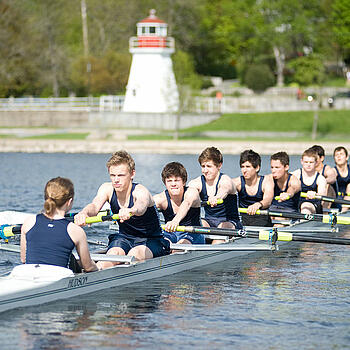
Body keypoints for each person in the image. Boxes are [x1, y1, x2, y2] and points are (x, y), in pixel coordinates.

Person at [74, 150, 170, 269]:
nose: (116, 180)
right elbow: (94, 206)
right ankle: (95, 272)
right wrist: (84, 213)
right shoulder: (106, 189)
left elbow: (141, 206)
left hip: (151, 240)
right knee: (113, 255)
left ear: (132, 174)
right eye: (113, 175)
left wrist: (131, 210)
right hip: (124, 238)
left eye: (121, 175)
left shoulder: (140, 191)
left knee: (135, 254)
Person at [20, 177, 98, 272]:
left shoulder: (29, 222)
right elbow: (88, 267)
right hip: (58, 278)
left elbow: (24, 259)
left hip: (28, 274)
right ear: (69, 202)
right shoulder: (75, 230)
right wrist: (99, 269)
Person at [188, 147, 242, 244]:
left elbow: (224, 190)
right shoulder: (196, 182)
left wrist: (216, 197)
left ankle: (213, 246)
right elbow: (188, 194)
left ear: (219, 165)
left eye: (209, 166)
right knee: (196, 226)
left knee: (221, 232)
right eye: (203, 166)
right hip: (209, 221)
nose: (205, 170)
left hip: (230, 222)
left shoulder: (226, 180)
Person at [153, 162, 205, 245]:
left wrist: (175, 221)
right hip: (170, 233)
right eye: (169, 181)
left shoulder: (192, 192)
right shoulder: (160, 198)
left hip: (193, 234)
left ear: (184, 182)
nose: (173, 184)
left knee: (179, 247)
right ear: (165, 183)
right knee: (161, 244)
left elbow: (187, 203)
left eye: (177, 180)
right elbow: (144, 205)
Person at [233, 149, 274, 226]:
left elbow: (268, 200)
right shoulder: (237, 182)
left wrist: (258, 204)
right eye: (242, 167)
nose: (244, 170)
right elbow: (225, 187)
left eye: (248, 167)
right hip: (243, 219)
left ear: (257, 168)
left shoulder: (266, 182)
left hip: (262, 220)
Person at [292, 148, 327, 214]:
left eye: (311, 162)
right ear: (301, 161)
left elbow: (322, 194)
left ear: (316, 163)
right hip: (297, 204)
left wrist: (316, 194)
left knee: (305, 207)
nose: (308, 164)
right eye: (306, 162)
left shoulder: (320, 179)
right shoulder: (295, 174)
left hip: (313, 205)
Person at [332, 146, 350, 211]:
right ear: (334, 158)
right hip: (336, 200)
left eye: (341, 154)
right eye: (336, 155)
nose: (339, 156)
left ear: (347, 157)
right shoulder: (333, 171)